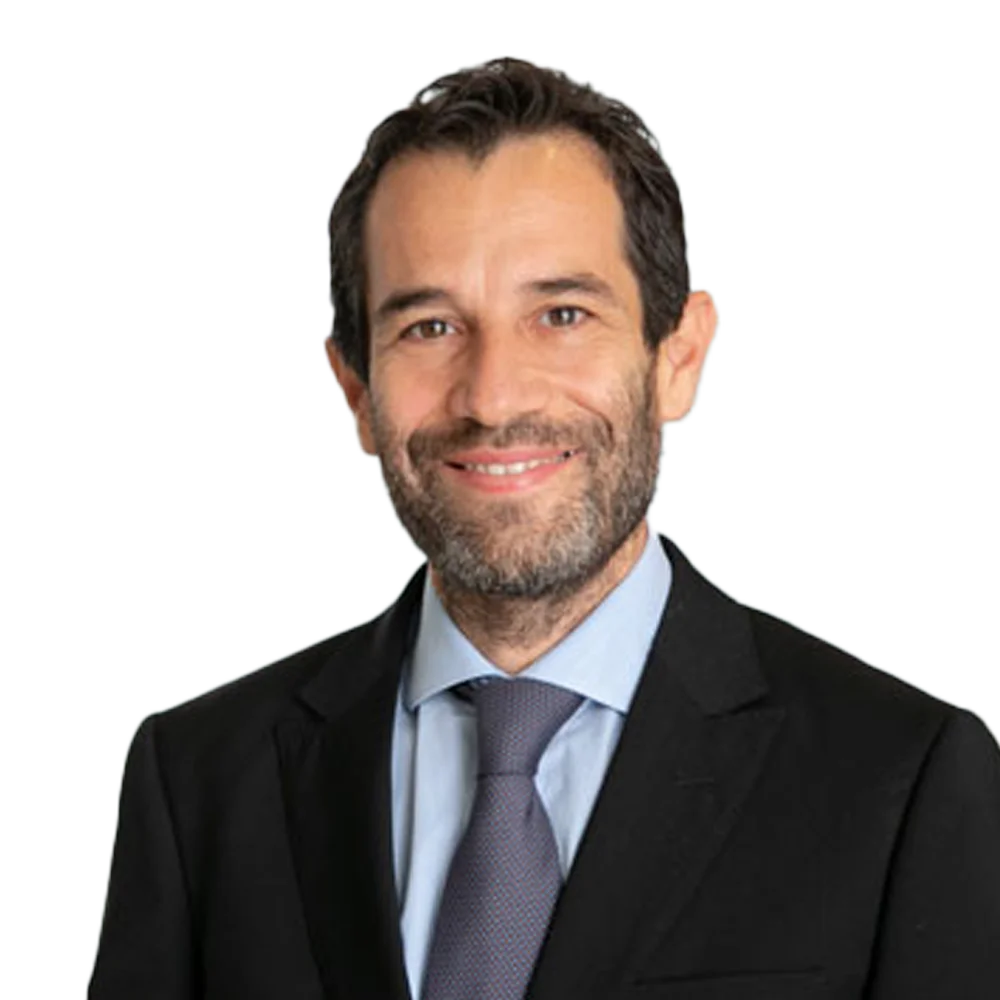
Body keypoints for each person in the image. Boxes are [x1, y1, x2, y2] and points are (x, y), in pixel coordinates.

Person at [86, 56, 1000, 1000]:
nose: (493, 397)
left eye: (561, 314)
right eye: (429, 327)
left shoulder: (900, 781)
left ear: (677, 358)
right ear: (356, 390)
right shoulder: (199, 783)